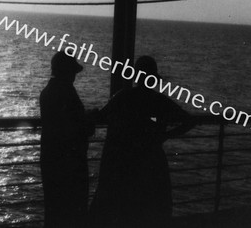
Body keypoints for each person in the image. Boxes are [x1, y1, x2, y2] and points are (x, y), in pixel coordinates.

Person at [90, 56, 195, 228]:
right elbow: (189, 121)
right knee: (151, 208)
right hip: (152, 161)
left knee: (124, 209)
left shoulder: (122, 97)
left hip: (125, 162)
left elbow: (101, 116)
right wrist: (165, 136)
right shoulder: (159, 101)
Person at [39, 52, 95, 227]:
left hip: (51, 160)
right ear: (66, 72)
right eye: (72, 72)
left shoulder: (47, 92)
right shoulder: (67, 92)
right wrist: (90, 121)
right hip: (70, 164)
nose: (74, 77)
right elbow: (78, 128)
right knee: (74, 211)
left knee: (54, 210)